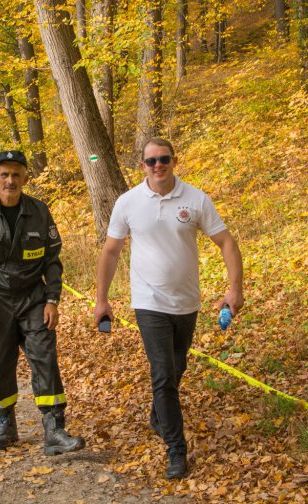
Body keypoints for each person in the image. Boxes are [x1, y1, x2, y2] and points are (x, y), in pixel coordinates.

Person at [93, 138, 244, 479]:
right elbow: (111, 252)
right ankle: (177, 449)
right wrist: (102, 300)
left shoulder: (195, 198)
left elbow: (227, 242)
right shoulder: (128, 202)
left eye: (164, 159)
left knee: (176, 370)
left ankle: (158, 416)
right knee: (162, 374)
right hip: (148, 303)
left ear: (174, 161)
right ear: (142, 165)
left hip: (187, 302)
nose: (157, 165)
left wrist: (235, 289)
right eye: (151, 161)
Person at [0, 150, 85, 455]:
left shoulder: (39, 211)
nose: (10, 180)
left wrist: (52, 299)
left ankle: (54, 430)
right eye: (4, 174)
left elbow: (52, 261)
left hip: (33, 299)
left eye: (16, 174)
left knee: (44, 359)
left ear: (25, 177)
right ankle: (6, 425)